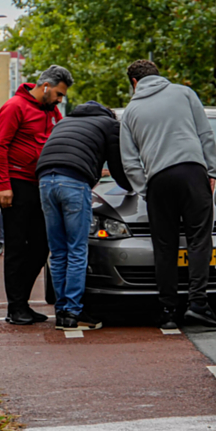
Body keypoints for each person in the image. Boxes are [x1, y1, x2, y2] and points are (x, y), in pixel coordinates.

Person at [120, 60, 216, 329]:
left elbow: (129, 161)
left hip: (159, 180)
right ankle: (198, 305)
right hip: (192, 172)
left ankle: (167, 311)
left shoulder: (130, 112)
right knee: (199, 240)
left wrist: (146, 188)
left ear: (134, 83)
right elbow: (205, 134)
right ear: (158, 76)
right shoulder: (184, 93)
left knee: (165, 246)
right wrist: (211, 172)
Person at [36, 101, 132, 331]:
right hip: (73, 182)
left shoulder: (64, 121)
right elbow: (117, 165)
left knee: (58, 251)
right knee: (77, 249)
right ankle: (73, 311)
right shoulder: (110, 125)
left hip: (44, 180)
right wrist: (130, 187)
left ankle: (61, 311)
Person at [0, 65, 74, 325]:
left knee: (42, 246)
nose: (60, 100)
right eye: (59, 94)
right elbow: (0, 147)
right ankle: (15, 309)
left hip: (41, 185)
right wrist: (4, 185)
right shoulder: (15, 106)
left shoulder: (53, 112)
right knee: (16, 246)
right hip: (16, 185)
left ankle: (22, 303)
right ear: (47, 87)